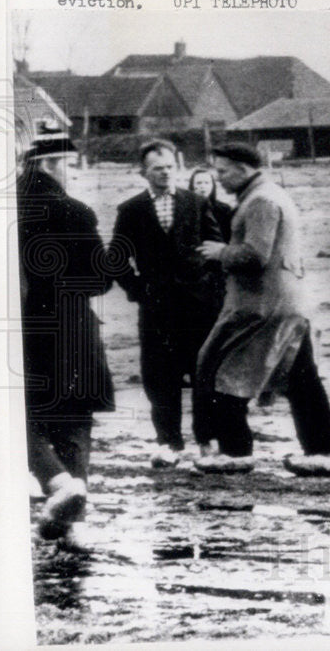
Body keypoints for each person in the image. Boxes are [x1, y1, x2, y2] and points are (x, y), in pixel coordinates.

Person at [195, 142, 330, 476]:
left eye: (222, 171)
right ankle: (326, 451)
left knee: (222, 368)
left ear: (243, 168)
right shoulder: (272, 193)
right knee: (301, 378)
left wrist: (220, 252)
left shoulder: (260, 200)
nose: (218, 178)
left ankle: (235, 453)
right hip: (289, 304)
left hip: (261, 306)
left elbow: (255, 255)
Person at [18, 132, 115, 551]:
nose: (71, 173)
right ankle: (68, 504)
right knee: (74, 419)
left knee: (21, 413)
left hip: (19, 326)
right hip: (73, 323)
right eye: (69, 165)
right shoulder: (75, 211)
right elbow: (100, 278)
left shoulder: (4, 208)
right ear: (52, 165)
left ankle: (57, 485)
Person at [109, 140, 223, 467]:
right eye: (157, 167)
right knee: (160, 378)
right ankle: (169, 443)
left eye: (170, 166)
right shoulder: (130, 210)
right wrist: (138, 290)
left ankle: (207, 440)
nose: (164, 173)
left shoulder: (197, 204)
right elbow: (115, 258)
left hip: (199, 308)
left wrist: (211, 290)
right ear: (143, 172)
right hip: (156, 309)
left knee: (204, 373)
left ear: (178, 168)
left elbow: (216, 251)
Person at [189, 168, 235, 241]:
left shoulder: (224, 209)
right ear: (192, 186)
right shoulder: (186, 209)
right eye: (199, 183)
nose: (202, 186)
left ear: (212, 185)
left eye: (207, 183)